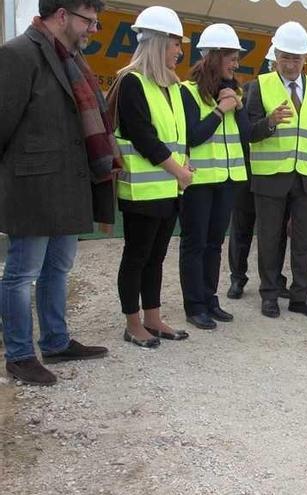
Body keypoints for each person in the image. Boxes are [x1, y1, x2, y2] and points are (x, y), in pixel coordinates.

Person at [1, 0, 113, 385]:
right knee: (21, 274)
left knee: (58, 269)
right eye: (89, 21)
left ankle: (55, 340)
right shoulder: (17, 55)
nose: (93, 30)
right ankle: (18, 355)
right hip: (32, 188)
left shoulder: (72, 60)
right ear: (62, 15)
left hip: (67, 186)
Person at [245, 21, 307, 319]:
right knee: (269, 238)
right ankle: (270, 293)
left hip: (305, 177)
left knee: (303, 238)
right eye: (285, 57)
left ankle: (300, 297)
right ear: (275, 56)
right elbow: (248, 132)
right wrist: (270, 122)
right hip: (270, 176)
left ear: (305, 58)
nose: (290, 63)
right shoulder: (259, 85)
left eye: (296, 58)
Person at [110, 6, 193, 348]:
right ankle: (133, 324)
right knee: (137, 256)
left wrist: (183, 170)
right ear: (159, 43)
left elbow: (174, 138)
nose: (179, 50)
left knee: (156, 258)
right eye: (175, 43)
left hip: (169, 189)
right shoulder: (131, 81)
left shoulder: (171, 86)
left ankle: (153, 318)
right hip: (144, 193)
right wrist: (179, 171)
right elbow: (144, 137)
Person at [178, 24, 250, 329]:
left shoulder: (233, 90)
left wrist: (236, 105)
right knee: (194, 244)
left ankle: (209, 299)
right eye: (230, 57)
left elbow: (246, 135)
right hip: (199, 182)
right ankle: (194, 305)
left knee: (214, 244)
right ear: (212, 57)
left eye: (236, 58)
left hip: (229, 179)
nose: (235, 63)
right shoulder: (187, 91)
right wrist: (221, 110)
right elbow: (193, 136)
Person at [227, 45, 291, 301]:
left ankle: (274, 279)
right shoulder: (253, 88)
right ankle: (238, 278)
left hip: (276, 173)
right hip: (249, 170)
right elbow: (248, 131)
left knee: (275, 233)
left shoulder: (295, 92)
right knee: (242, 227)